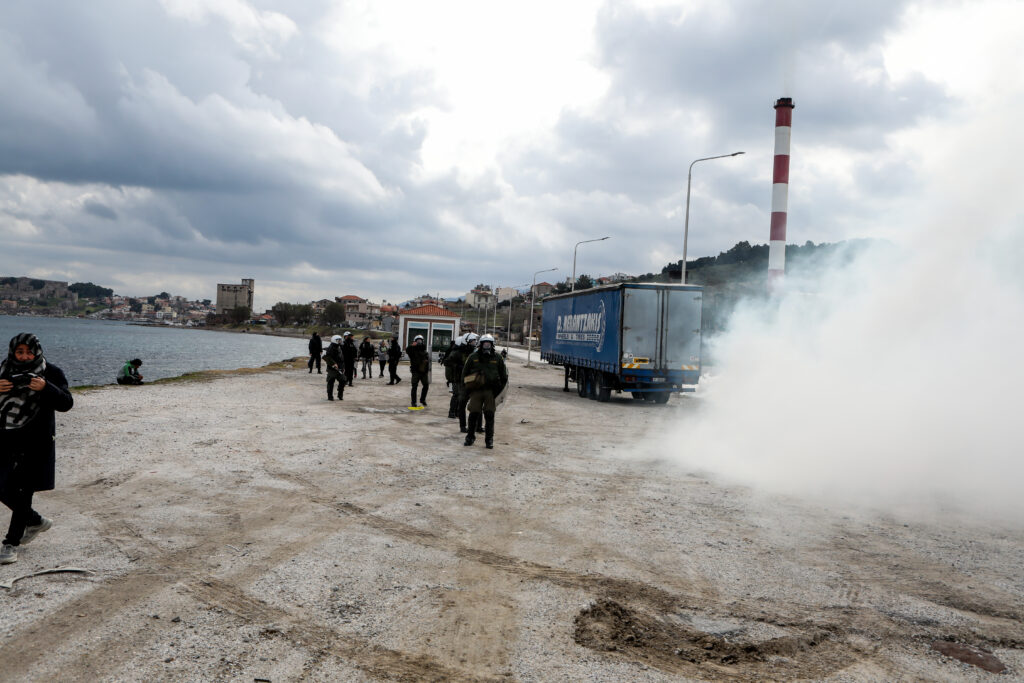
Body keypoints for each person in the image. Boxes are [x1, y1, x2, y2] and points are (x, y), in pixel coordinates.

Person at [0, 333, 74, 565]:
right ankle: (35, 521)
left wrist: (46, 387)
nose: (24, 357)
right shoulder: (3, 371)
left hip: (36, 441)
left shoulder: (52, 372)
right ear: (13, 352)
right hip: (5, 438)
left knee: (24, 491)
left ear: (37, 351)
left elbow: (66, 403)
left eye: (28, 352)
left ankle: (10, 543)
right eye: (19, 352)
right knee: (1, 485)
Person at [462, 333, 507, 449]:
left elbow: (504, 376)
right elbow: (464, 374)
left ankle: (489, 439)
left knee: (489, 415)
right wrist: (469, 386)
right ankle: (470, 437)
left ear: (492, 345)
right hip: (476, 391)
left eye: (489, 344)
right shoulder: (473, 357)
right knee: (473, 414)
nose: (486, 346)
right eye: (484, 343)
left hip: (490, 392)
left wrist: (498, 391)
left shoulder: (497, 358)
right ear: (480, 344)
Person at [443, 335, 469, 424]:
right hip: (455, 377)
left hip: (459, 377)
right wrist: (457, 367)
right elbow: (447, 363)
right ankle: (452, 412)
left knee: (459, 395)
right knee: (456, 395)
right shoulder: (455, 352)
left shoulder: (461, 352)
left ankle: (457, 412)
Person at [405, 335, 431, 408]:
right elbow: (407, 350)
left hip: (423, 372)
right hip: (415, 371)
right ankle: (413, 402)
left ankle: (422, 399)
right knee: (414, 387)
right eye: (418, 340)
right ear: (415, 341)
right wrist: (412, 345)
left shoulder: (424, 351)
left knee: (426, 385)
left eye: (420, 340)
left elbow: (428, 361)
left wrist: (426, 363)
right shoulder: (412, 350)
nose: (419, 342)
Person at [323, 335, 345, 401]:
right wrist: (334, 364)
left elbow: (341, 358)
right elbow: (327, 357)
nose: (340, 341)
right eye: (338, 340)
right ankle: (330, 396)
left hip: (340, 368)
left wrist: (343, 367)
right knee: (330, 382)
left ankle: (340, 395)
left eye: (340, 340)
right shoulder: (331, 348)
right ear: (334, 340)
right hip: (332, 368)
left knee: (343, 380)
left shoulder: (339, 347)